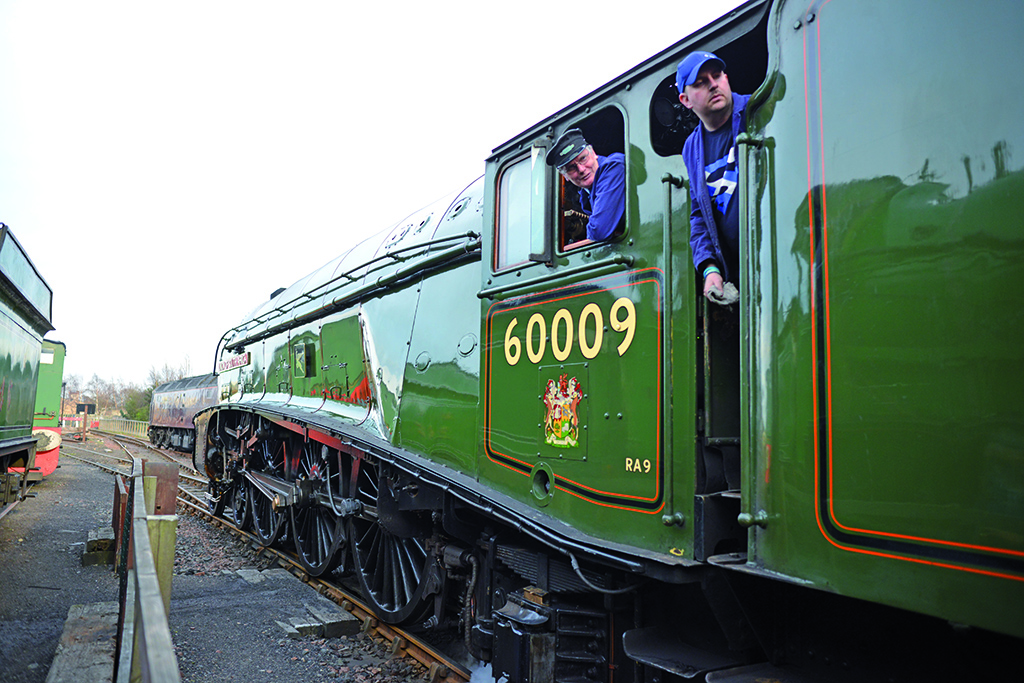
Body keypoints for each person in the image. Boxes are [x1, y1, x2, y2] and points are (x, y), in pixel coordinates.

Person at [677, 50, 749, 303]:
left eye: (717, 75)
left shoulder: (757, 111)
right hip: (741, 276)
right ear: (685, 100)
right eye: (700, 82)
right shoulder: (691, 148)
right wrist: (709, 268)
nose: (713, 84)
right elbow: (699, 213)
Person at [545, 128, 626, 241]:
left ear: (593, 153)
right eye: (571, 168)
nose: (581, 169)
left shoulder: (613, 167)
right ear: (565, 176)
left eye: (583, 158)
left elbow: (599, 231)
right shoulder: (585, 194)